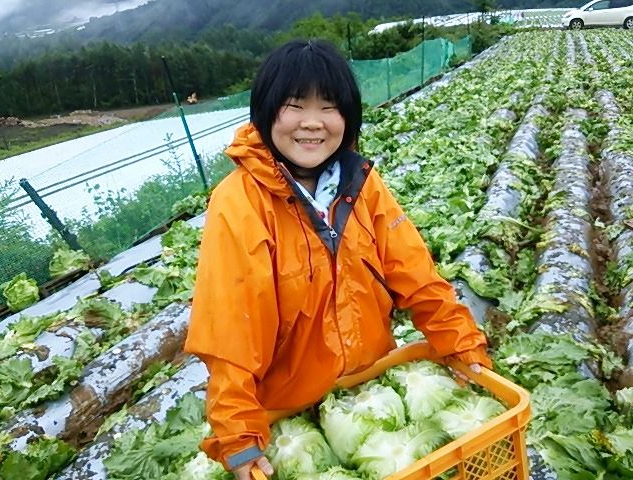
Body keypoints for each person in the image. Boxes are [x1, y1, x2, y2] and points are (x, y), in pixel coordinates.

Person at [184, 39, 492, 480]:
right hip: (289, 410)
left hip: (371, 386)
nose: (312, 123)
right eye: (295, 106)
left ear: (347, 117)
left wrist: (462, 342)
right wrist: (238, 436)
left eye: (328, 107)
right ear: (266, 112)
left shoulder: (361, 184)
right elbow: (231, 327)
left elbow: (415, 273)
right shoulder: (238, 203)